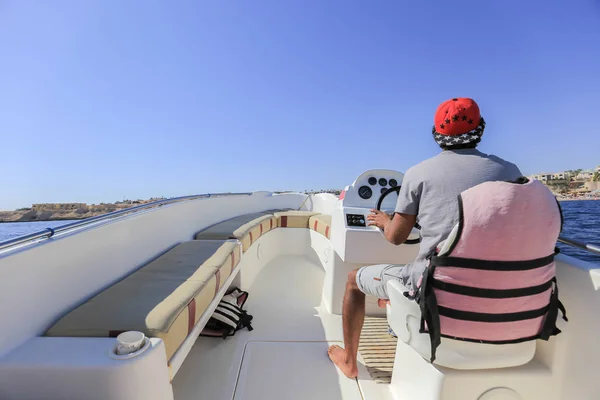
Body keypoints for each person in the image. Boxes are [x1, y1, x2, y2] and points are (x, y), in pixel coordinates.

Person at [328, 97, 523, 378]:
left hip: (433, 291)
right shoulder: (510, 172)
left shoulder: (418, 174)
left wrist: (385, 221)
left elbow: (396, 237)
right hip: (499, 292)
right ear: (480, 128)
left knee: (353, 281)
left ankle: (349, 362)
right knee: (406, 278)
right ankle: (397, 316)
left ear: (437, 134)